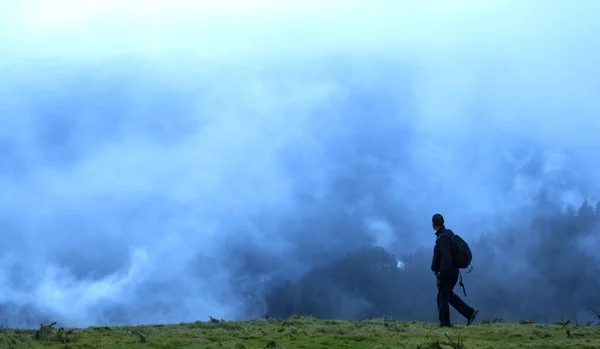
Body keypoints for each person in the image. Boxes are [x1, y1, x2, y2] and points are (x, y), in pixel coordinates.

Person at [431, 213, 478, 327]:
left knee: (442, 296)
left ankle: (445, 324)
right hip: (453, 272)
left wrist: (441, 273)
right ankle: (469, 312)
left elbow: (446, 259)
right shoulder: (448, 233)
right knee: (447, 295)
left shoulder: (443, 238)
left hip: (448, 273)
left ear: (433, 224)